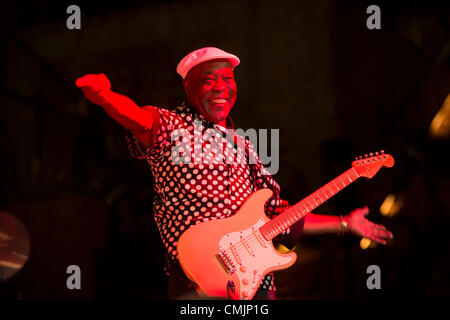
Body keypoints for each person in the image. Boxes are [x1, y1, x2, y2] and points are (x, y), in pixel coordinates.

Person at [75, 47, 393, 300]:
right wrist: (105, 97)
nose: (221, 87)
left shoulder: (246, 147)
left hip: (255, 279)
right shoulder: (173, 128)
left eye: (228, 79)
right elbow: (139, 119)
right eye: (209, 79)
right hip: (198, 276)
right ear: (188, 86)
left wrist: (343, 223)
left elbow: (278, 217)